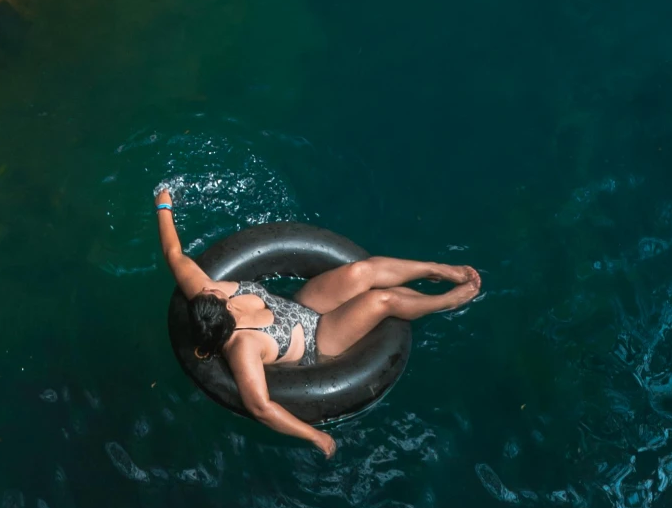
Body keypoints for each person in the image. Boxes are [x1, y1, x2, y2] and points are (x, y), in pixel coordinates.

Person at [153, 183, 481, 458]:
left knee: (360, 271)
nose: (219, 292)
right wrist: (315, 437)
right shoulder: (243, 347)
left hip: (300, 306)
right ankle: (444, 303)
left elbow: (174, 255)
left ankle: (435, 269)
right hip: (318, 341)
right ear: (225, 320)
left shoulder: (206, 294)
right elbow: (260, 407)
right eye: (223, 300)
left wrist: (163, 205)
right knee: (383, 301)